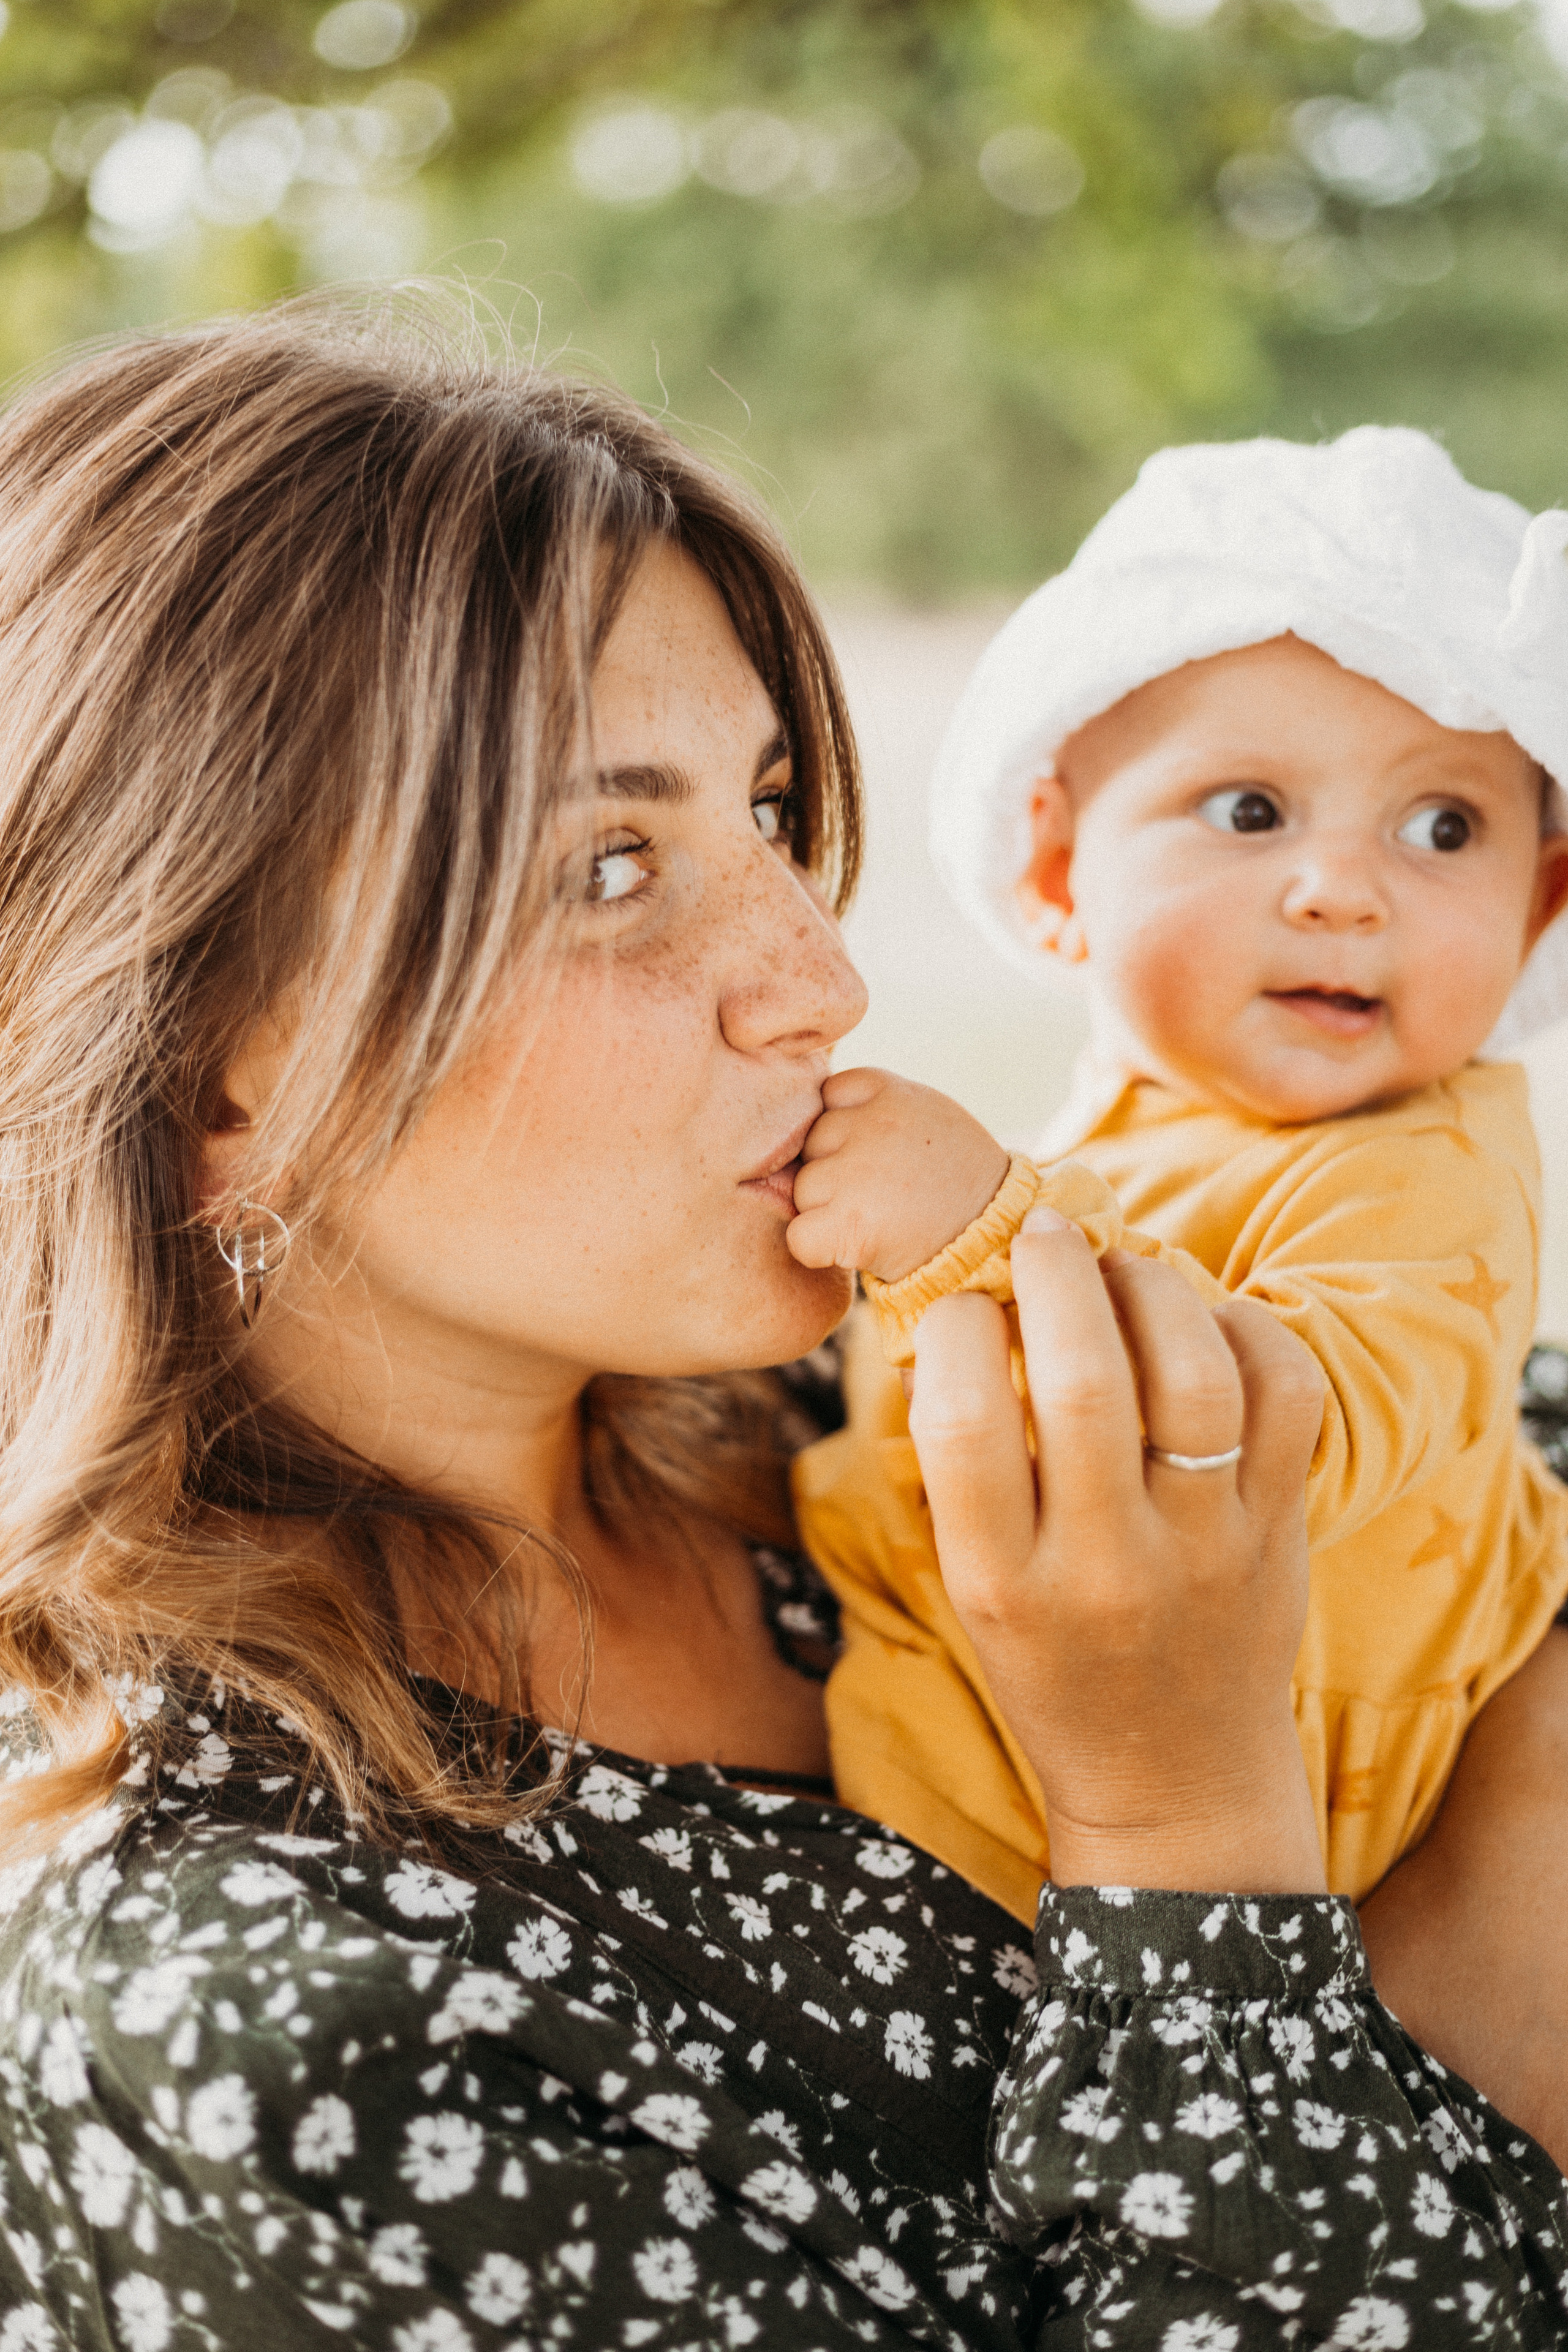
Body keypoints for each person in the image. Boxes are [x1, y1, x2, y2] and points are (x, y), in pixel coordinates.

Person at [1, 311, 1566, 2350]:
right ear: (217, 1073)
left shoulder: (840, 1381)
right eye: (615, 865)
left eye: (765, 810)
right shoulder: (256, 2012)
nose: (818, 977)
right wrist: (1203, 1825)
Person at [786, 429, 1568, 1954]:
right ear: (1059, 867)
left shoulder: (1428, 1170)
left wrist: (975, 1236)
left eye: (1443, 829)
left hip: (1267, 1820)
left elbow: (1274, 1444)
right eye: (1250, 810)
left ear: (1539, 905)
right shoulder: (1123, 1131)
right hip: (976, 1761)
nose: (1343, 889)